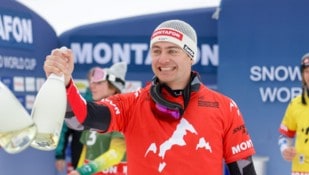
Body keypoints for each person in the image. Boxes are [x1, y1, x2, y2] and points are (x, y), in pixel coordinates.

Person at [44, 19, 257, 174]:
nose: (162, 59)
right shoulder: (132, 103)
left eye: (172, 51)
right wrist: (64, 84)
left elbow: (243, 169)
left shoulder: (224, 107)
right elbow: (79, 119)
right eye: (156, 51)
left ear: (191, 56)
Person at [70, 62, 128, 175]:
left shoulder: (122, 114)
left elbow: (116, 153)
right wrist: (79, 170)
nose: (92, 85)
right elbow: (85, 152)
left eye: (99, 82)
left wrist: (84, 171)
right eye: (92, 82)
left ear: (113, 87)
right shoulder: (94, 114)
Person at [55, 68, 94, 173]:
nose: (95, 84)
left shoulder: (111, 105)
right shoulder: (78, 103)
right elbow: (64, 131)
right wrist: (60, 155)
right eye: (93, 80)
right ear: (89, 82)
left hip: (104, 162)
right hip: (79, 157)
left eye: (99, 81)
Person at [278, 52, 309, 174]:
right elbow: (285, 135)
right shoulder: (295, 103)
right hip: (301, 170)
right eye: (306, 71)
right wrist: (285, 149)